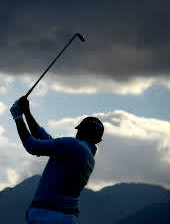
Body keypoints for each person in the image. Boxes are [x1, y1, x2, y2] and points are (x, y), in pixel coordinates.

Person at [10, 96, 104, 224]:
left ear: (80, 131)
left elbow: (32, 145)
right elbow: (45, 138)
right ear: (97, 140)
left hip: (45, 214)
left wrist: (18, 117)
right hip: (68, 218)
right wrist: (26, 112)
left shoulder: (72, 145)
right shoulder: (87, 157)